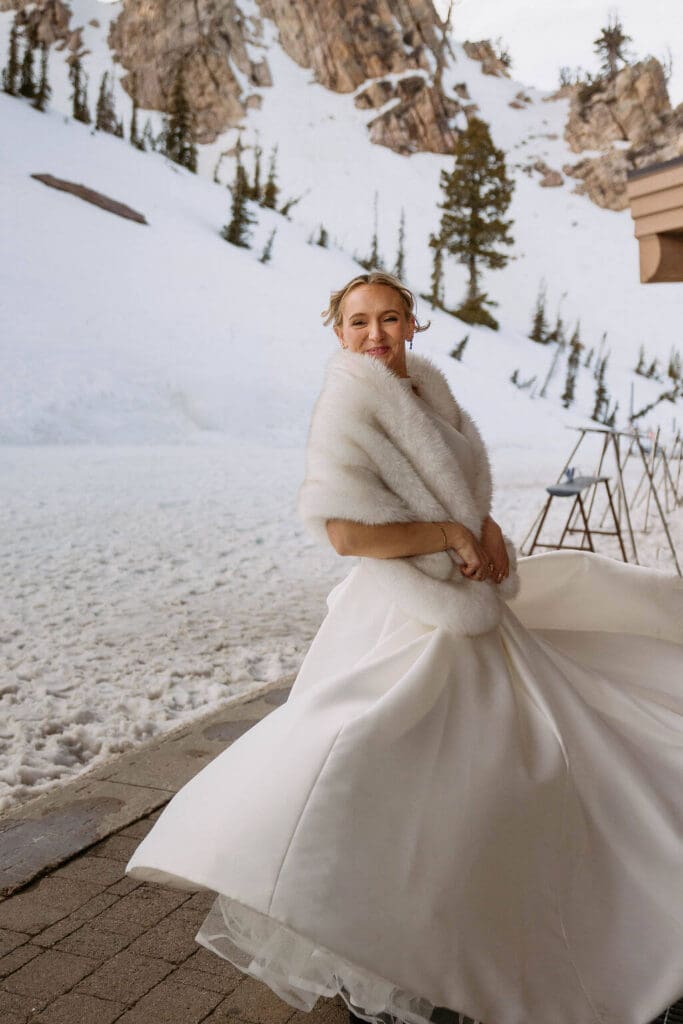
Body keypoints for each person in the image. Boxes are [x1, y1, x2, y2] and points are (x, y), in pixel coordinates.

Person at [126, 270, 683, 1024]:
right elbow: (346, 533)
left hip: (469, 609)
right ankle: (385, 936)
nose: (375, 335)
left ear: (412, 325)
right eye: (359, 323)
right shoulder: (348, 403)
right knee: (376, 768)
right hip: (400, 615)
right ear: (338, 332)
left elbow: (459, 491)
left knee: (500, 770)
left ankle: (472, 930)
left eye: (389, 319)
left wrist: (481, 529)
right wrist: (448, 535)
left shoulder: (427, 391)